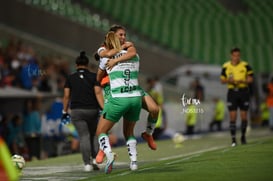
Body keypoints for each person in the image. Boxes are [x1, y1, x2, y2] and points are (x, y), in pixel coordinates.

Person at [96, 25, 159, 150]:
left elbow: (133, 52)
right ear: (113, 35)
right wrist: (121, 49)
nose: (124, 37)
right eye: (120, 35)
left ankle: (148, 134)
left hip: (132, 88)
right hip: (113, 89)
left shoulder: (128, 46)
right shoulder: (102, 48)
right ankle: (102, 151)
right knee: (105, 127)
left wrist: (115, 60)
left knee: (155, 109)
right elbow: (106, 53)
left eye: (125, 35)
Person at [96, 31, 142, 173]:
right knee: (129, 132)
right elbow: (131, 53)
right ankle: (134, 162)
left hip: (118, 99)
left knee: (101, 131)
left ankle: (109, 153)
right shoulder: (135, 56)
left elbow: (98, 77)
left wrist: (111, 62)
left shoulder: (106, 58)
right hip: (135, 98)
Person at [62, 51, 103, 172]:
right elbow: (98, 92)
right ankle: (95, 159)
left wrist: (65, 111)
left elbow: (66, 96)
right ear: (87, 64)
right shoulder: (94, 76)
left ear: (76, 65)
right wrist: (103, 108)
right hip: (92, 110)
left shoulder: (70, 77)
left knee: (83, 136)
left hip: (77, 111)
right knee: (94, 135)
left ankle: (87, 164)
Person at [220, 48, 253, 147]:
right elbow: (222, 80)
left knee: (243, 116)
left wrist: (242, 81)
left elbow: (251, 79)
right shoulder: (226, 66)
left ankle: (243, 136)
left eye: (238, 55)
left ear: (240, 55)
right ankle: (233, 140)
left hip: (243, 92)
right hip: (232, 93)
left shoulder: (245, 65)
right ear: (231, 55)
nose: (236, 57)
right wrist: (230, 81)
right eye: (234, 55)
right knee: (233, 116)